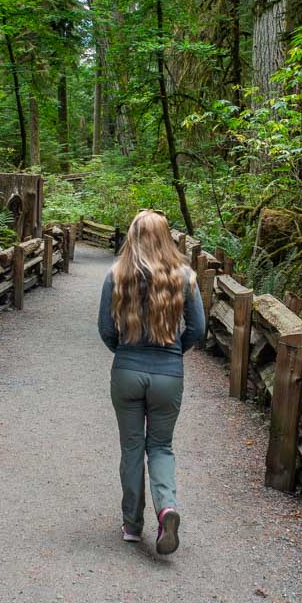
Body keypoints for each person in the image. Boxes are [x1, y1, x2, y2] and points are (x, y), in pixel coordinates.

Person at [98, 209, 206, 555]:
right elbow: (198, 330)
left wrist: (126, 352)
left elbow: (105, 329)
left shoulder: (116, 275)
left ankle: (132, 525)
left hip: (127, 370)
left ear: (132, 237)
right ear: (166, 238)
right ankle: (166, 509)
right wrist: (174, 353)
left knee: (131, 447)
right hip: (168, 374)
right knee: (160, 447)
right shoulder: (185, 277)